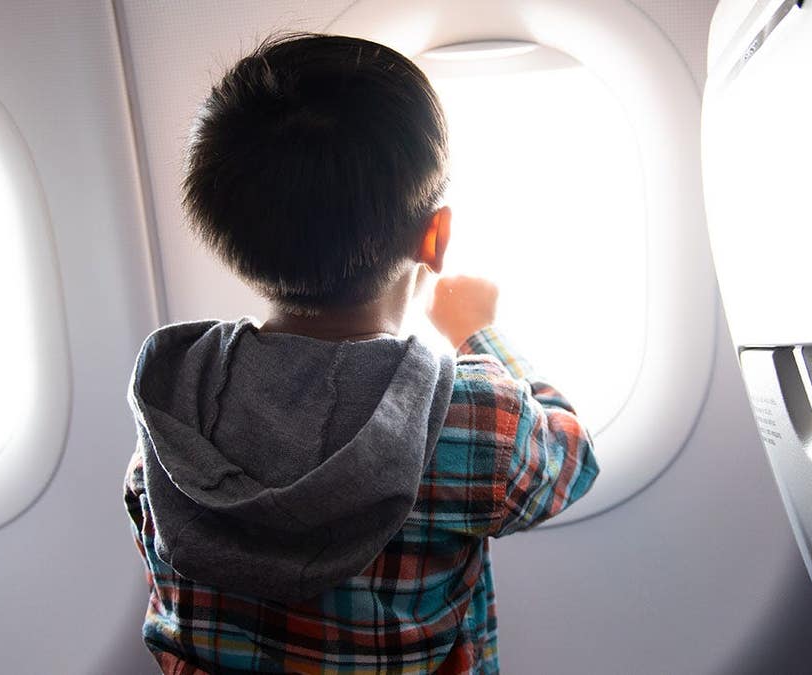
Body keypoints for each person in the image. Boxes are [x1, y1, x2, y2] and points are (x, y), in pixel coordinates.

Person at [124, 32, 598, 674]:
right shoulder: (469, 419)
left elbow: (163, 575)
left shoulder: (178, 403)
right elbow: (573, 461)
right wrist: (477, 332)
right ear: (436, 236)